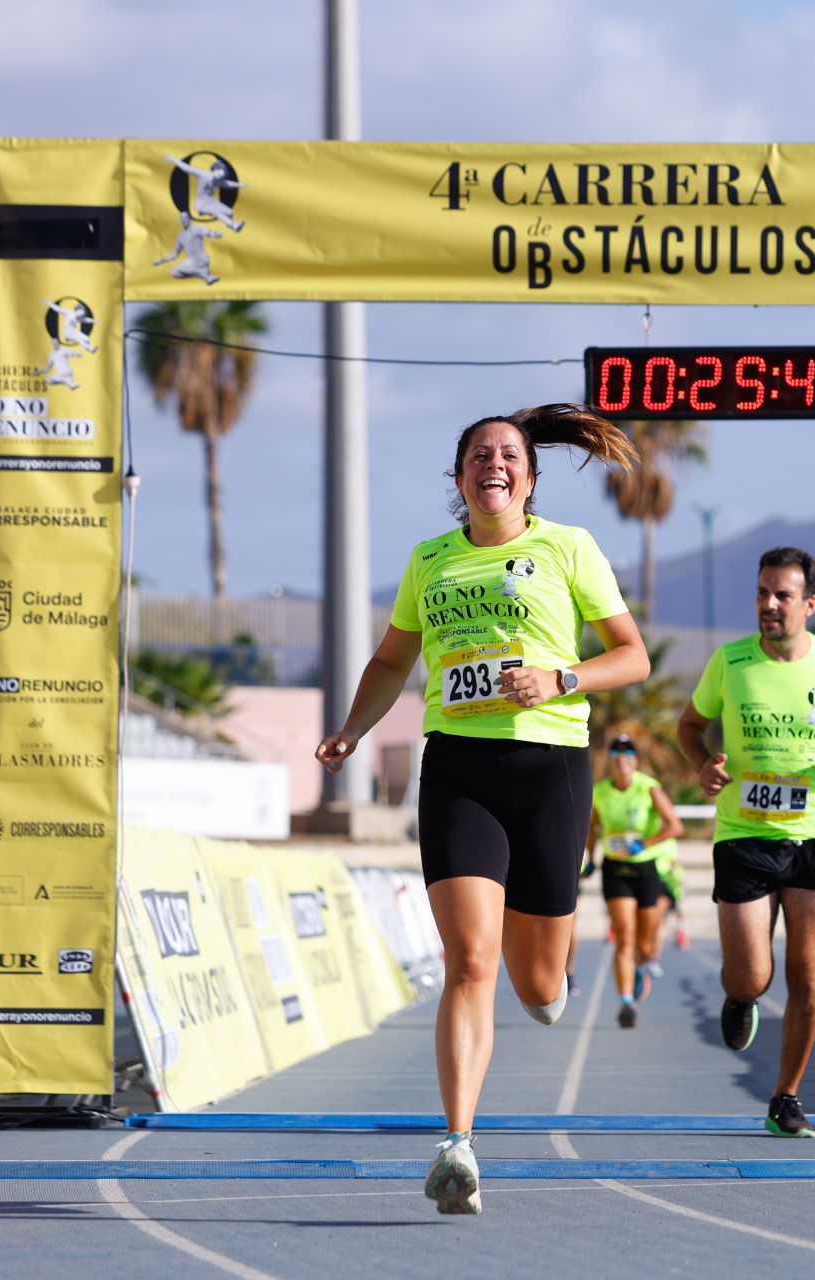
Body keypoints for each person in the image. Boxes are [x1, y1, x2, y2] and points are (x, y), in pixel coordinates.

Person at [315, 404, 648, 1215]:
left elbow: (630, 656)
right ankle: (457, 1145)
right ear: (459, 477)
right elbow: (394, 658)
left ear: (529, 479)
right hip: (460, 771)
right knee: (469, 961)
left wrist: (561, 678)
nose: (493, 465)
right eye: (478, 455)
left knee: (536, 987)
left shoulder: (568, 548)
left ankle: (550, 972)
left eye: (508, 455)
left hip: (552, 771)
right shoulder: (430, 560)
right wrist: (353, 731)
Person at [677, 546, 815, 1139]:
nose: (768, 605)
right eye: (762, 592)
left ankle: (786, 1096)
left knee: (809, 975)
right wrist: (703, 765)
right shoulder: (731, 662)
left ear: (810, 605)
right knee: (751, 975)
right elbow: (687, 726)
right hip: (743, 833)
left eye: (782, 596)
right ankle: (740, 998)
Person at [587, 733, 684, 1028]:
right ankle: (626, 1001)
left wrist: (646, 843)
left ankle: (642, 967)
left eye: (628, 755)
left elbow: (674, 826)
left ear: (636, 761)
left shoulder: (648, 788)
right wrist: (591, 859)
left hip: (645, 870)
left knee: (643, 944)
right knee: (624, 936)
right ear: (611, 761)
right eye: (616, 755)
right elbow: (593, 828)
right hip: (616, 870)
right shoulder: (599, 791)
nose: (622, 760)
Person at [165, 154, 246, 231]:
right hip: (202, 205)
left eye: (221, 176)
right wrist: (174, 160)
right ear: (215, 169)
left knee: (230, 212)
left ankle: (229, 224)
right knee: (217, 212)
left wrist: (240, 185)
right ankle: (233, 225)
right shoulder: (203, 174)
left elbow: (228, 184)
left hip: (211, 202)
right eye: (218, 173)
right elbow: (187, 168)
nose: (218, 176)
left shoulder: (217, 181)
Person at [153, 212, 224, 285]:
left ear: (190, 219)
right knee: (174, 272)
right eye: (182, 218)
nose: (184, 220)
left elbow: (209, 233)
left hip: (201, 259)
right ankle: (204, 274)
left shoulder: (197, 228)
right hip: (192, 261)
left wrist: (217, 234)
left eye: (186, 218)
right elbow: (175, 254)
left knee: (180, 269)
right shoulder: (180, 236)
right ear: (180, 220)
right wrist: (161, 261)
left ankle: (203, 273)